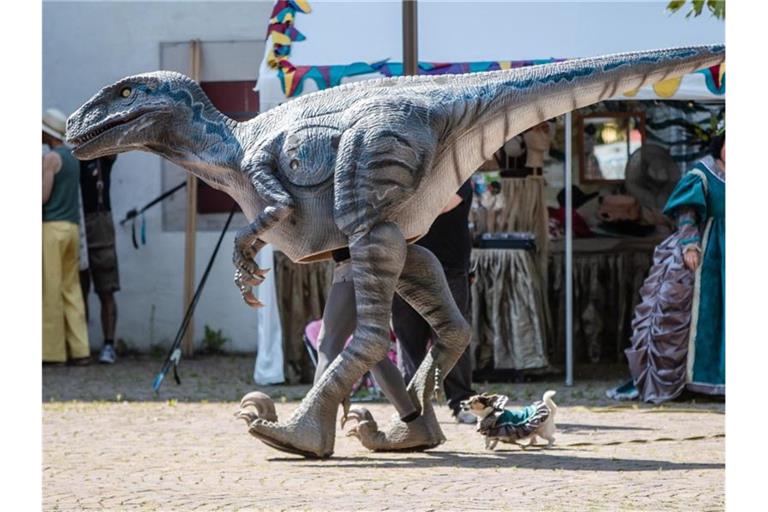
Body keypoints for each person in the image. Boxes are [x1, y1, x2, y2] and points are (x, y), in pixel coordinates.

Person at [608, 122, 725, 403]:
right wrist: (689, 245)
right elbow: (686, 212)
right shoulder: (703, 174)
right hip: (711, 251)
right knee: (706, 314)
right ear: (720, 144)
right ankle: (699, 379)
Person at [392, 180, 477, 423]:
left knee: (452, 336)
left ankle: (462, 401)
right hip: (404, 264)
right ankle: (412, 407)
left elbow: (441, 205)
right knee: (408, 337)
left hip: (448, 267)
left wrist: (401, 201)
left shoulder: (459, 173)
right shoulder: (404, 172)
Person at [314, 248, 420, 423]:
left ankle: (313, 424)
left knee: (328, 344)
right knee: (371, 348)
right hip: (377, 265)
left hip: (354, 267)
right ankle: (413, 422)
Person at [42, 108, 91, 365]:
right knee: (71, 289)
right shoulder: (73, 157)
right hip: (72, 228)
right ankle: (80, 349)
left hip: (52, 229)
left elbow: (43, 197)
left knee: (50, 289)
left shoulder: (50, 159)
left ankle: (52, 353)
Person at [79, 154, 121, 364]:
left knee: (106, 287)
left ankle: (108, 344)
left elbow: (114, 144)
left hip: (100, 221)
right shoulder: (64, 155)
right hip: (75, 221)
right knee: (79, 290)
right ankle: (81, 346)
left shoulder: (101, 157)